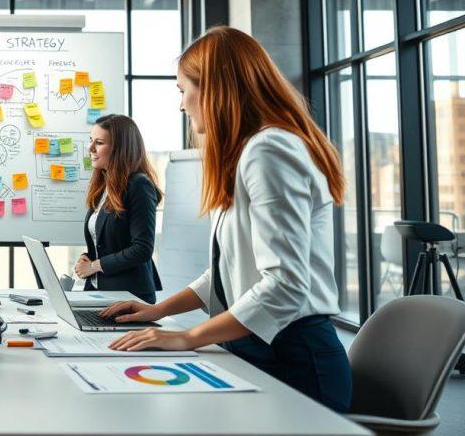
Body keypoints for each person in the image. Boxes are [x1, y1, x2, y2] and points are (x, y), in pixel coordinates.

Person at [99, 26, 352, 412]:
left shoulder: (269, 151)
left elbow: (285, 286)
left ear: (215, 88)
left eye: (183, 90)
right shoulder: (249, 153)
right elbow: (227, 271)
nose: (181, 105)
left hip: (293, 357)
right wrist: (159, 311)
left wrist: (188, 338)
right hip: (258, 342)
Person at [73, 114, 163, 304]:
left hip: (129, 296)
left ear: (120, 148)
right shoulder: (103, 186)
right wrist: (87, 257)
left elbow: (142, 249)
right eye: (91, 141)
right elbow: (108, 242)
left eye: (99, 142)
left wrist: (95, 266)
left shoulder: (139, 185)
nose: (90, 148)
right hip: (99, 291)